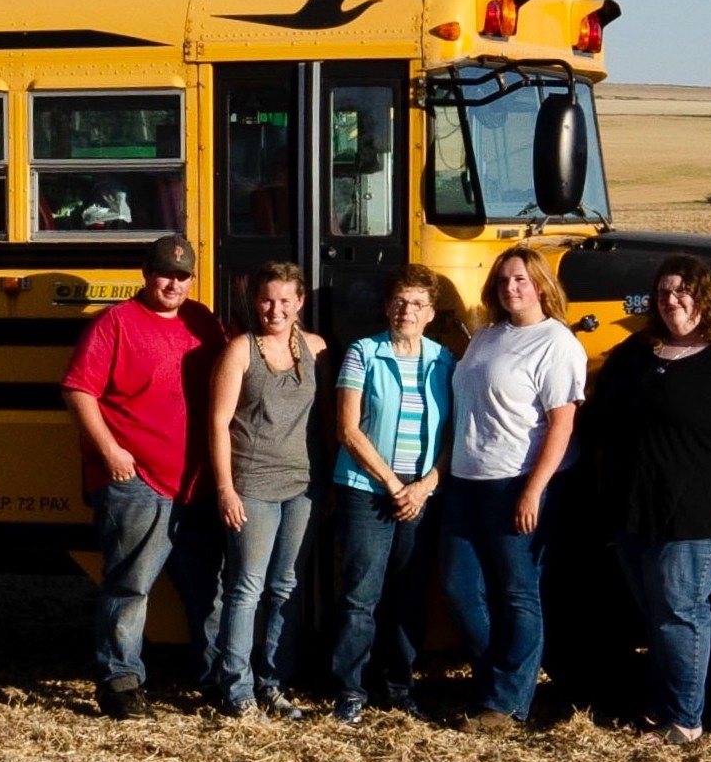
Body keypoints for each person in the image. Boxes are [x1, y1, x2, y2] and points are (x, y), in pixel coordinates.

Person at [590, 254, 711, 745]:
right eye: (663, 293)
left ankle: (685, 719)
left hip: (701, 515)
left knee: (681, 610)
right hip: (636, 511)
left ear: (705, 296)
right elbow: (600, 421)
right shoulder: (637, 352)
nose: (672, 301)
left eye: (683, 291)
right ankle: (660, 710)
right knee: (656, 613)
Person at [61, 233, 226, 719]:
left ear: (192, 279)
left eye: (181, 275)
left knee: (209, 587)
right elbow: (78, 390)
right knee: (131, 585)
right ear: (145, 273)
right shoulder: (115, 325)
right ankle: (121, 681)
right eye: (163, 273)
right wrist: (109, 451)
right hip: (136, 482)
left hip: (194, 482)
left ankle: (216, 676)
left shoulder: (202, 321)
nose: (172, 283)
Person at [440, 246, 587, 732]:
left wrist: (534, 490)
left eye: (521, 279)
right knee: (461, 586)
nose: (511, 288)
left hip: (518, 480)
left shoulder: (556, 343)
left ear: (541, 284)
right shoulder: (486, 336)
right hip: (467, 479)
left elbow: (562, 424)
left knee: (519, 592)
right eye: (503, 280)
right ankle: (492, 684)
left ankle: (507, 705)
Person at [329, 264, 455, 724]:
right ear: (387, 306)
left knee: (408, 593)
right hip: (368, 489)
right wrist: (394, 484)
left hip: (420, 495)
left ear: (430, 313)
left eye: (417, 303)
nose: (407, 310)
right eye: (400, 301)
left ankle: (400, 687)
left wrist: (423, 487)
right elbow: (347, 429)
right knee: (362, 593)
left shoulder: (445, 362)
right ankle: (351, 690)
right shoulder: (363, 354)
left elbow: (451, 438)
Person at [210, 262, 328, 721]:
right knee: (246, 588)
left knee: (286, 587)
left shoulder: (316, 349)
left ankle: (273, 684)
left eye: (284, 300)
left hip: (303, 487)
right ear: (254, 302)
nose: (274, 309)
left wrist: (330, 478)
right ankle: (236, 690)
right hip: (253, 485)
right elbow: (218, 423)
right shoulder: (240, 351)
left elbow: (326, 421)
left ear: (300, 303)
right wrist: (225, 489)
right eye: (266, 300)